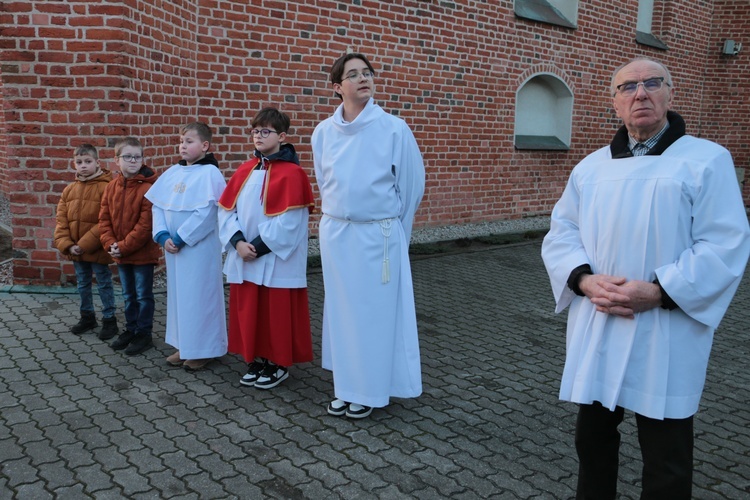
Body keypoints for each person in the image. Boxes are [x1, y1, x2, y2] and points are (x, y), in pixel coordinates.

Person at [541, 57, 750, 499]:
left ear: (670, 93)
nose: (641, 93)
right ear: (613, 102)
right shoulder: (591, 168)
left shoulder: (706, 160)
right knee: (592, 442)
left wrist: (659, 291)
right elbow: (563, 233)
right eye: (628, 87)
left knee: (666, 455)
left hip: (665, 325)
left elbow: (725, 244)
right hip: (600, 318)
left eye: (653, 83)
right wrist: (582, 280)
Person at [311, 53, 426, 419]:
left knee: (373, 315)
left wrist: (394, 233)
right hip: (337, 235)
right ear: (337, 87)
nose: (364, 78)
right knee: (343, 314)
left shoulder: (393, 128)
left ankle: (372, 392)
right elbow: (325, 181)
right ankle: (346, 388)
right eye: (353, 74)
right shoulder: (323, 132)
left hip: (378, 236)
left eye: (367, 73)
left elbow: (411, 187)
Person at [218, 107, 315, 390]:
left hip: (272, 257)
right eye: (255, 131)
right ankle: (257, 358)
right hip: (244, 253)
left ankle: (278, 363)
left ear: (282, 136)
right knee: (251, 310)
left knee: (275, 312)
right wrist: (237, 242)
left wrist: (257, 248)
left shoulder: (294, 174)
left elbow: (291, 223)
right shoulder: (245, 169)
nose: (258, 136)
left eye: (265, 131)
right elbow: (226, 211)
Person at [145, 122, 228, 371]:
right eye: (181, 141)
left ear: (205, 145)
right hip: (172, 249)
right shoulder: (173, 172)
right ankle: (186, 345)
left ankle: (205, 349)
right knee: (180, 298)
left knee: (200, 297)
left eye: (189, 141)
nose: (183, 145)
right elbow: (158, 204)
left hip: (197, 248)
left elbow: (207, 212)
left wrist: (181, 237)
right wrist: (161, 235)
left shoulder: (210, 174)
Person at [99, 137, 161, 356]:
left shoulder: (148, 189)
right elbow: (104, 219)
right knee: (128, 295)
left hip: (142, 254)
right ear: (117, 160)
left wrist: (122, 247)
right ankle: (131, 329)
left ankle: (144, 334)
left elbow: (145, 227)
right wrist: (109, 244)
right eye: (128, 157)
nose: (133, 160)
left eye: (137, 156)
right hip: (120, 253)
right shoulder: (110, 188)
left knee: (143, 295)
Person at [54, 144, 118, 339]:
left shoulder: (107, 187)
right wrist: (68, 245)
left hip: (96, 248)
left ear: (97, 163)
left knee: (104, 282)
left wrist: (85, 244)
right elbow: (61, 220)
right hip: (75, 250)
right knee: (82, 283)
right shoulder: (69, 190)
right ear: (74, 164)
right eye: (79, 162)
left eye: (88, 161)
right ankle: (87, 316)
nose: (83, 166)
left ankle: (109, 319)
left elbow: (107, 220)